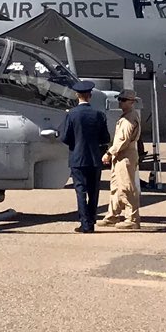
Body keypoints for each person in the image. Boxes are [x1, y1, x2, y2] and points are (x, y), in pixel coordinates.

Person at [58, 81, 111, 232]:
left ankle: (85, 223)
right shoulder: (98, 114)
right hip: (95, 158)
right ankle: (92, 220)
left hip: (77, 157)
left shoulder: (72, 114)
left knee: (80, 190)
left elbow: (65, 137)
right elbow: (105, 138)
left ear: (76, 95)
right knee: (94, 191)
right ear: (90, 95)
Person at [100, 92, 144, 229]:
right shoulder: (126, 116)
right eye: (119, 99)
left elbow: (123, 140)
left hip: (125, 154)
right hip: (120, 154)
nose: (120, 102)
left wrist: (109, 152)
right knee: (116, 186)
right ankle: (112, 215)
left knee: (126, 186)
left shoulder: (130, 117)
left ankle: (132, 218)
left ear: (131, 102)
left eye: (123, 100)